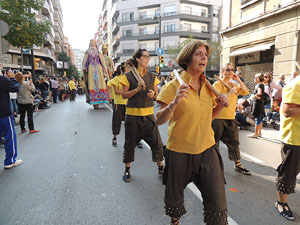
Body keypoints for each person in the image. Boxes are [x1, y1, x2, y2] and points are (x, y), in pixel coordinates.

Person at [156, 40, 229, 225]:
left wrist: (220, 105)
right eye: (198, 53)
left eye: (205, 54)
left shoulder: (209, 87)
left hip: (207, 150)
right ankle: (175, 221)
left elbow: (209, 117)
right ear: (188, 58)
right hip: (179, 152)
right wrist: (174, 104)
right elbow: (158, 119)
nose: (204, 57)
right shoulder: (173, 86)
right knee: (175, 201)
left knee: (217, 203)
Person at [120, 48, 164, 183]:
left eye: (148, 57)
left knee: (157, 144)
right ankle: (127, 170)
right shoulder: (127, 76)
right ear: (138, 59)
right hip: (132, 117)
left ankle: (161, 168)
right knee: (129, 144)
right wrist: (137, 89)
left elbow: (157, 95)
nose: (148, 59)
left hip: (149, 116)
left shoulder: (152, 76)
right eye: (145, 56)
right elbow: (123, 95)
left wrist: (153, 95)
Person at [212, 63, 251, 175]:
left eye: (232, 70)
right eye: (227, 70)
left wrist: (238, 79)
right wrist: (229, 93)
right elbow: (216, 100)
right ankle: (214, 166)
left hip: (230, 118)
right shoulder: (217, 84)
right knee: (214, 144)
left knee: (234, 142)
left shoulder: (233, 84)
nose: (230, 71)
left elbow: (245, 91)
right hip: (218, 118)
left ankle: (238, 165)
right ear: (223, 72)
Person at [274, 75, 300, 221]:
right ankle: (281, 203)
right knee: (288, 173)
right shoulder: (296, 84)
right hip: (294, 138)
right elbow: (287, 111)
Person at [0, 69, 23, 168]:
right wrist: (12, 78)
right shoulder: (2, 79)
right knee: (10, 137)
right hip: (3, 113)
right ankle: (10, 160)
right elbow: (15, 88)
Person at [82, 39, 109, 109]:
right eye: (91, 42)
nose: (92, 43)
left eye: (93, 42)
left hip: (98, 68)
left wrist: (105, 70)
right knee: (92, 84)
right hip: (91, 68)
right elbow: (84, 61)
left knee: (101, 83)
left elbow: (102, 61)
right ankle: (94, 102)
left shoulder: (98, 52)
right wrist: (84, 67)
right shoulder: (87, 52)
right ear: (89, 43)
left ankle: (101, 99)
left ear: (95, 43)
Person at [109, 64, 127, 147]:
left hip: (128, 103)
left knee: (131, 122)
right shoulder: (116, 79)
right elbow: (116, 91)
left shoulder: (128, 79)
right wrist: (126, 91)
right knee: (117, 121)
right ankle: (115, 138)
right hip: (118, 103)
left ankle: (135, 140)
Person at [248, 73, 265, 138]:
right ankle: (259, 133)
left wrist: (254, 96)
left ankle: (255, 133)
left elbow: (259, 93)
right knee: (260, 118)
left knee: (257, 118)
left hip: (258, 103)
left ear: (258, 78)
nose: (254, 79)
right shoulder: (262, 85)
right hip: (260, 103)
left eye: (255, 78)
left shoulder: (259, 85)